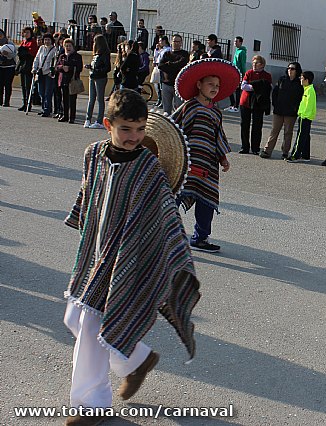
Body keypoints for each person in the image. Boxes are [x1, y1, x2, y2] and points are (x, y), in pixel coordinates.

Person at [63, 89, 200, 425]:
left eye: (140, 130)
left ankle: (90, 405)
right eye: (126, 129)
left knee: (92, 322)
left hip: (127, 256)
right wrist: (84, 222)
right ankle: (135, 359)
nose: (134, 137)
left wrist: (177, 253)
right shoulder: (93, 154)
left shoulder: (148, 167)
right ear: (108, 124)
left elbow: (166, 214)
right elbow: (89, 194)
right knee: (73, 318)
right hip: (95, 252)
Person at [173, 58, 239, 252]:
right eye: (210, 84)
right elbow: (173, 129)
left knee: (206, 200)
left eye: (217, 85)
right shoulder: (190, 106)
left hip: (208, 165)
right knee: (175, 197)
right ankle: (161, 232)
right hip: (187, 163)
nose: (214, 88)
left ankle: (200, 237)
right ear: (199, 84)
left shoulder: (216, 112)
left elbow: (218, 136)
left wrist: (223, 158)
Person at [260, 61, 303, 159]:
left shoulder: (299, 83)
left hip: (291, 112)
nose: (290, 70)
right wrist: (275, 104)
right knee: (274, 131)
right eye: (288, 68)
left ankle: (285, 152)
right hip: (279, 110)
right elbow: (275, 92)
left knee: (288, 132)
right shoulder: (282, 79)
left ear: (297, 71)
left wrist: (295, 108)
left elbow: (300, 98)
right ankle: (267, 150)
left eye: (292, 69)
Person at [238, 55, 272, 154]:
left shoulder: (267, 75)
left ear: (261, 65)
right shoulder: (249, 73)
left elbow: (268, 87)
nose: (253, 65)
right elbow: (243, 86)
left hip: (258, 103)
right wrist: (257, 86)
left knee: (257, 126)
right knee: (244, 124)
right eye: (253, 63)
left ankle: (255, 148)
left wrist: (253, 85)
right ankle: (245, 147)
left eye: (256, 63)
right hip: (246, 102)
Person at [287, 71, 317, 163]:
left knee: (300, 136)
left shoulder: (310, 91)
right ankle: (305, 155)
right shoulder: (307, 89)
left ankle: (295, 155)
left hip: (305, 117)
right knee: (305, 135)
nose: (300, 79)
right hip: (304, 116)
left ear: (307, 80)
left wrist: (304, 115)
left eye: (302, 78)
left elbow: (309, 105)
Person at [83, 34, 111, 129]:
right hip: (92, 76)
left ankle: (99, 121)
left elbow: (107, 68)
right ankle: (88, 119)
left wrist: (97, 70)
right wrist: (90, 67)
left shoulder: (105, 54)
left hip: (100, 78)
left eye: (95, 42)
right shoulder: (96, 55)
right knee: (91, 99)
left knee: (99, 99)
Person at [158, 34, 189, 114]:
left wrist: (169, 64)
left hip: (178, 85)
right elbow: (160, 65)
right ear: (171, 42)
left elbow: (182, 63)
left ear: (181, 43)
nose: (176, 43)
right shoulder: (166, 54)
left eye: (178, 41)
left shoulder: (184, 54)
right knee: (166, 110)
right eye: (175, 41)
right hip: (166, 84)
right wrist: (173, 67)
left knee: (178, 109)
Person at [55, 38, 83, 124]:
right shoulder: (62, 56)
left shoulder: (77, 56)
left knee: (72, 100)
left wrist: (70, 68)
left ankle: (72, 117)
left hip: (72, 80)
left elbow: (79, 68)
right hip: (63, 80)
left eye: (69, 46)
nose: (68, 48)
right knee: (64, 99)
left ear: (73, 46)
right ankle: (65, 115)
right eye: (66, 46)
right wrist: (61, 68)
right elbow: (56, 67)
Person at [31, 33, 57, 117]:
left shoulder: (54, 49)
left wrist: (52, 71)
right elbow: (37, 58)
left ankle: (47, 109)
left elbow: (55, 61)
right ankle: (43, 108)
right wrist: (34, 68)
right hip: (41, 72)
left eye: (48, 40)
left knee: (48, 92)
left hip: (49, 73)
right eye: (45, 40)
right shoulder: (41, 48)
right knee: (41, 92)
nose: (47, 41)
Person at [18, 27, 38, 111]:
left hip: (29, 65)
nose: (26, 34)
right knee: (23, 85)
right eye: (25, 32)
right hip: (23, 65)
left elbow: (32, 53)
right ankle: (24, 103)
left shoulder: (32, 42)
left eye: (28, 32)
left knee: (28, 86)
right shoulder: (23, 42)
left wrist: (25, 52)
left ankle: (28, 104)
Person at [224, 36, 246, 112]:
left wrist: (243, 74)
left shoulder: (242, 52)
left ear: (240, 42)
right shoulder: (237, 51)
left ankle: (236, 106)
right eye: (234, 41)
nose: (235, 43)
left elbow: (242, 64)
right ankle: (232, 104)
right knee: (230, 88)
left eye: (236, 41)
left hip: (239, 73)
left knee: (237, 89)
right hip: (234, 72)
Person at [152, 36, 170, 107]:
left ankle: (163, 101)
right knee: (157, 84)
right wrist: (156, 49)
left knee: (162, 85)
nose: (159, 42)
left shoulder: (167, 49)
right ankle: (159, 99)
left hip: (163, 69)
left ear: (164, 41)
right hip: (158, 67)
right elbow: (156, 56)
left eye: (160, 41)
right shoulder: (161, 49)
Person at [0, 31, 16, 107]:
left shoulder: (10, 44)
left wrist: (8, 54)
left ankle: (6, 101)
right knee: (0, 84)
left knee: (7, 84)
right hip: (0, 67)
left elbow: (14, 54)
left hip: (9, 67)